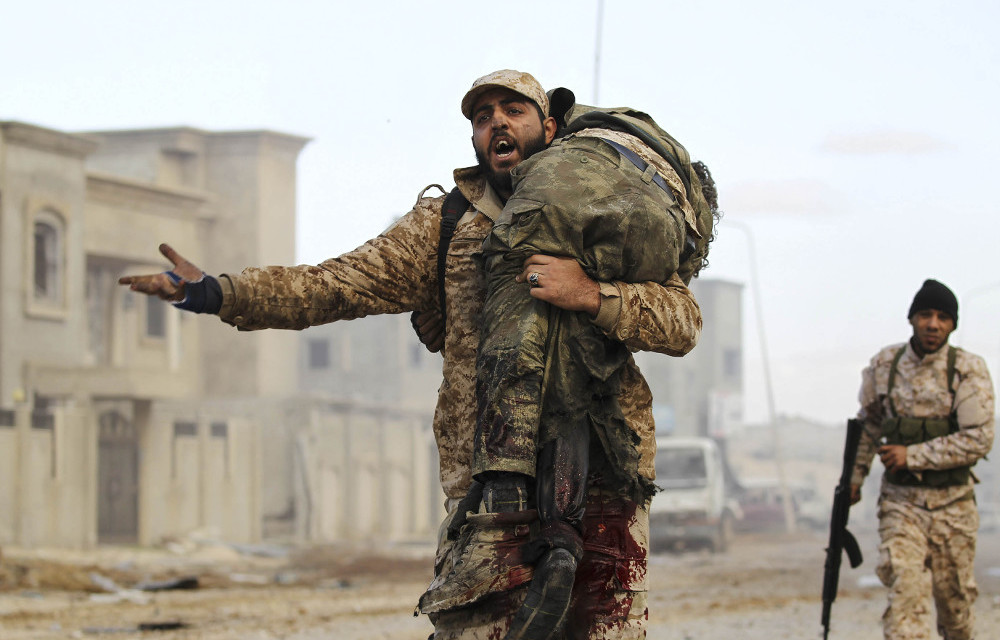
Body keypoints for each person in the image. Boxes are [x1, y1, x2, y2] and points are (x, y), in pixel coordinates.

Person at [120, 69, 705, 640]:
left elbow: (682, 321)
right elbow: (335, 284)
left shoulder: (603, 213)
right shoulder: (447, 226)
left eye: (513, 111)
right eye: (482, 118)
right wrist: (215, 292)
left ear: (550, 129)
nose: (497, 124)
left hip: (607, 469)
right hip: (492, 482)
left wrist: (591, 294)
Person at [850, 279, 994, 640]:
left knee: (956, 611)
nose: (933, 324)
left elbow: (979, 438)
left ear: (952, 325)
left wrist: (912, 455)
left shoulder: (968, 370)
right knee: (905, 601)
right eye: (926, 315)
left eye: (943, 317)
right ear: (912, 319)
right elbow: (869, 425)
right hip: (902, 507)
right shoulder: (885, 365)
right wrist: (853, 478)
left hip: (954, 507)